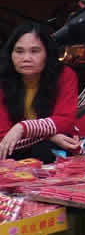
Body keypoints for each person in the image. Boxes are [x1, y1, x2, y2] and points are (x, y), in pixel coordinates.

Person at [0, 23, 79, 162]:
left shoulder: (64, 75)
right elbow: (4, 138)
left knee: (46, 151)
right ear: (10, 54)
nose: (26, 58)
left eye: (34, 51)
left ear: (47, 53)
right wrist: (48, 135)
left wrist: (22, 128)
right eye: (19, 51)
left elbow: (65, 121)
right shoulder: (2, 79)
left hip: (49, 149)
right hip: (13, 151)